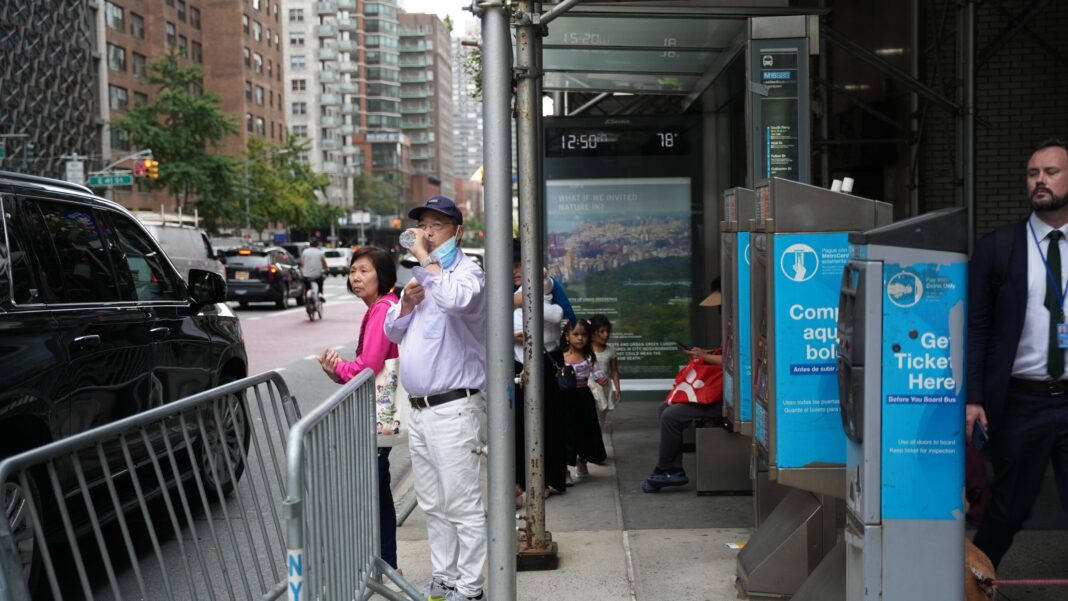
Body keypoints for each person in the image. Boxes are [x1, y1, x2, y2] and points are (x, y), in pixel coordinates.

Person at [967, 138, 1068, 568]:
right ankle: (971, 583)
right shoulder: (1000, 247)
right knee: (1009, 506)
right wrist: (973, 398)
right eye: (1033, 173)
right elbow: (977, 327)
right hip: (1022, 401)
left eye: (1050, 172)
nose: (1040, 180)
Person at [383, 195, 487, 601]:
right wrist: (405, 305)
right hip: (422, 410)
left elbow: (458, 301)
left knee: (461, 502)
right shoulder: (420, 276)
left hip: (455, 407)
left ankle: (471, 586)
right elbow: (393, 332)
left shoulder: (467, 272)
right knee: (432, 503)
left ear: (457, 232)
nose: (427, 232)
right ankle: (445, 578)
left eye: (437, 225)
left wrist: (427, 263)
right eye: (423, 224)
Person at [316, 246, 400, 569]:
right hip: (381, 411)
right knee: (378, 490)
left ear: (382, 275)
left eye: (364, 270)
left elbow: (369, 366)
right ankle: (386, 562)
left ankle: (382, 564)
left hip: (383, 414)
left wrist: (340, 370)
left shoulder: (382, 309)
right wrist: (337, 372)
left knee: (371, 490)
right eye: (353, 271)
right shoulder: (380, 307)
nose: (355, 277)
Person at [642, 279, 724, 493]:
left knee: (671, 415)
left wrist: (704, 355)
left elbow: (734, 360)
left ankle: (665, 468)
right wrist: (705, 352)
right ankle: (673, 467)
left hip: (726, 397)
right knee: (664, 408)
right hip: (720, 391)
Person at [512, 262, 568, 503]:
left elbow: (557, 316)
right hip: (513, 362)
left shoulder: (546, 292)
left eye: (519, 266)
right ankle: (517, 482)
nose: (514, 272)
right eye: (510, 266)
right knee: (515, 425)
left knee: (546, 421)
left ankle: (544, 479)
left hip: (544, 362)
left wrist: (524, 298)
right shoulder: (501, 292)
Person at [549, 319, 608, 483]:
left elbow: (597, 374)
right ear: (567, 336)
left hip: (583, 399)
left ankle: (582, 460)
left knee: (584, 431)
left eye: (584, 334)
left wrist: (602, 379)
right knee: (564, 434)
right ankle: (565, 470)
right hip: (563, 399)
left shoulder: (589, 357)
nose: (580, 338)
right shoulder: (560, 357)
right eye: (576, 334)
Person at [589, 314, 622, 428]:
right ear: (593, 333)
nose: (606, 335)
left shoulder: (611, 351)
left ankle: (597, 439)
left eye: (607, 331)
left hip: (605, 388)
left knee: (601, 418)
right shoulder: (586, 350)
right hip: (590, 389)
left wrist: (617, 388)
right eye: (602, 331)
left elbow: (614, 371)